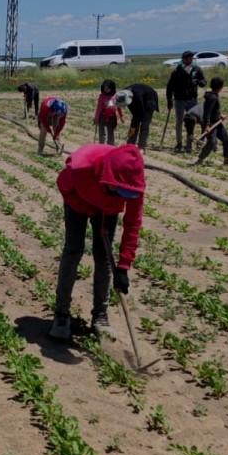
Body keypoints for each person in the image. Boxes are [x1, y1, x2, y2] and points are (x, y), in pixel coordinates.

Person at [49, 143, 146, 340]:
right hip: (78, 199)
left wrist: (124, 266)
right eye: (118, 191)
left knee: (103, 257)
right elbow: (64, 187)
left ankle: (100, 316)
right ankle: (61, 314)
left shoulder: (134, 182)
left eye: (125, 194)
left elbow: (132, 223)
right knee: (73, 250)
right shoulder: (80, 168)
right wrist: (91, 209)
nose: (123, 197)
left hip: (107, 208)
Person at [166, 50, 207, 154]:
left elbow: (204, 82)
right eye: (187, 58)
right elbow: (170, 87)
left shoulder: (197, 70)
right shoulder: (177, 71)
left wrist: (198, 81)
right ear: (183, 59)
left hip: (192, 100)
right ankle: (179, 143)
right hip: (179, 100)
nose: (189, 59)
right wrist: (169, 100)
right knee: (179, 122)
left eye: (191, 58)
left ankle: (189, 144)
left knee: (191, 121)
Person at [193, 76, 228, 167]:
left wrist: (220, 115)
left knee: (227, 139)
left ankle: (227, 160)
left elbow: (213, 110)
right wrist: (207, 126)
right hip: (211, 124)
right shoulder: (212, 98)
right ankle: (199, 160)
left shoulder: (213, 96)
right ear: (221, 87)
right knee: (211, 143)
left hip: (217, 123)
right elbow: (207, 112)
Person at [115, 83, 159, 151]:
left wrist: (133, 127)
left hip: (149, 99)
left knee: (144, 124)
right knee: (135, 122)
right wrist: (133, 125)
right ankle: (130, 144)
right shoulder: (123, 94)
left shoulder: (137, 97)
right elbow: (135, 114)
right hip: (140, 98)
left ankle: (141, 146)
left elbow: (139, 113)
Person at [92, 79, 124, 146]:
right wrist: (96, 118)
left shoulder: (116, 96)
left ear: (112, 88)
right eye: (105, 88)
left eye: (108, 88)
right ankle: (102, 147)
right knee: (102, 134)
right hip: (103, 117)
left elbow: (119, 107)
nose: (106, 90)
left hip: (112, 117)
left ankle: (111, 148)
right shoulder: (102, 96)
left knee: (111, 133)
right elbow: (99, 108)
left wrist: (121, 116)